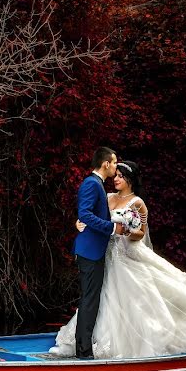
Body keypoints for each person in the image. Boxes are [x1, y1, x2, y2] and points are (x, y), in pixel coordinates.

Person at [50, 160, 186, 359]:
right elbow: (90, 216)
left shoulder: (137, 202)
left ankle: (134, 341)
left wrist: (129, 230)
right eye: (116, 175)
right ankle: (84, 342)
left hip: (127, 254)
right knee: (98, 296)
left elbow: (141, 233)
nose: (116, 179)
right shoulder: (107, 198)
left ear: (130, 179)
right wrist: (79, 223)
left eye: (121, 176)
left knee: (138, 295)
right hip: (106, 254)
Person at [71, 147, 125, 359]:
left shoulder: (97, 185)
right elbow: (84, 213)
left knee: (90, 299)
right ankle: (83, 352)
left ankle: (83, 349)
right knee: (89, 300)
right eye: (114, 163)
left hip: (93, 250)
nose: (115, 166)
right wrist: (112, 228)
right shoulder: (91, 184)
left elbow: (86, 215)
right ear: (105, 164)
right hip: (90, 252)